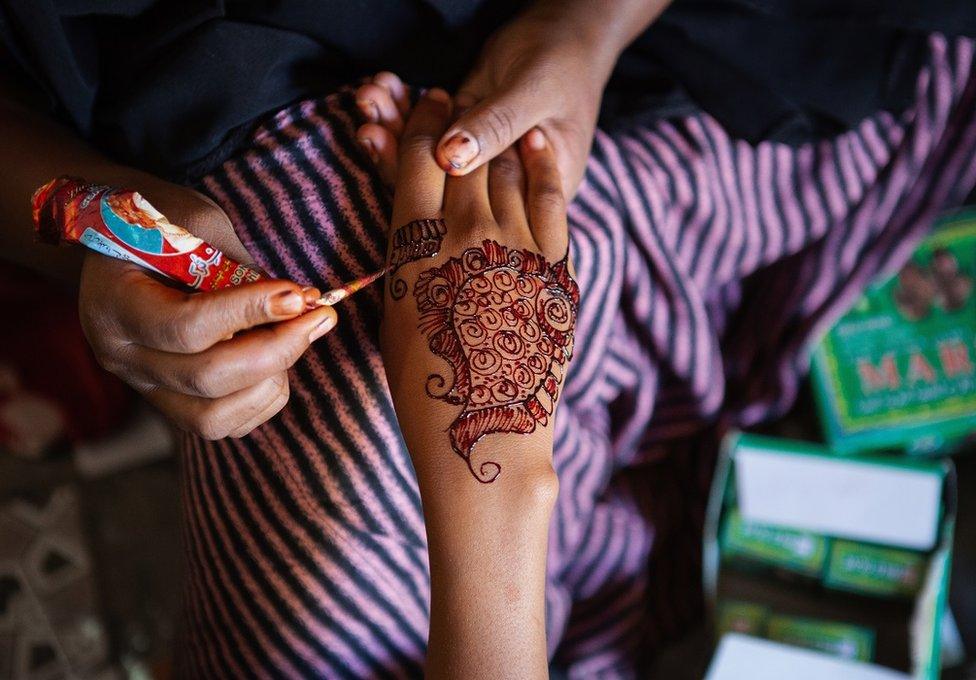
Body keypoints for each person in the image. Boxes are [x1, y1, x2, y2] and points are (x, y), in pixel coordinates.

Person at [2, 0, 976, 676]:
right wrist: (589, 30)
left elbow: (53, 198)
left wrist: (79, 235)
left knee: (345, 468)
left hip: (228, 92)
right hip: (672, 89)